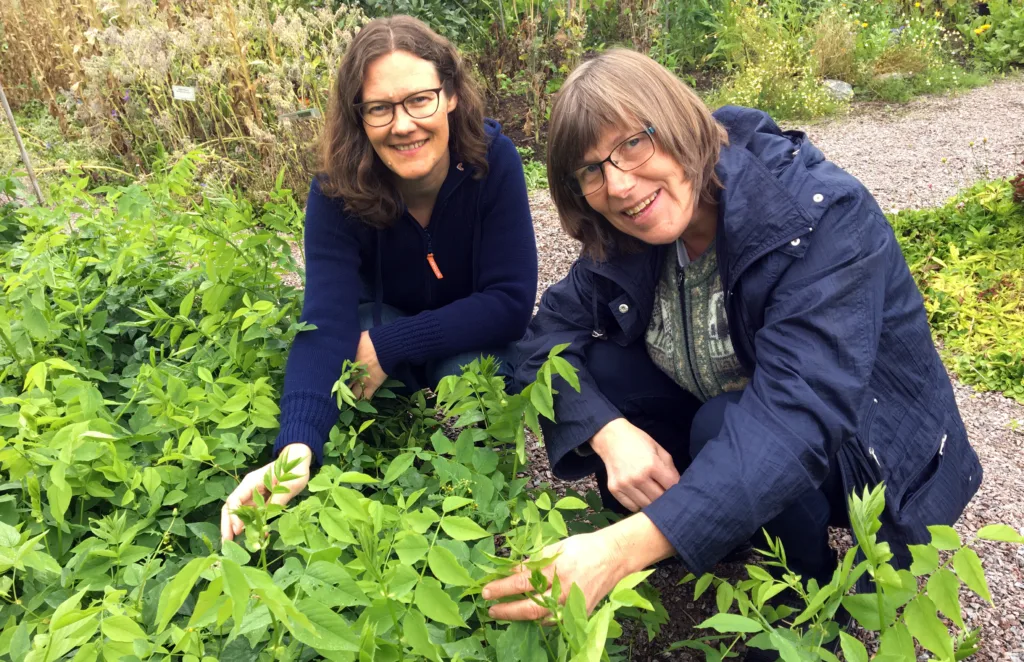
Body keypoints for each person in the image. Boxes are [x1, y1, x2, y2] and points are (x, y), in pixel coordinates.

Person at [483, 49, 982, 627]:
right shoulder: (628, 230)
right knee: (598, 372)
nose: (619, 185)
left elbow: (797, 419)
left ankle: (808, 606)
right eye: (591, 170)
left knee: (725, 425)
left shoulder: (819, 216)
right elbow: (542, 338)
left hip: (857, 447)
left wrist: (619, 549)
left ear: (677, 122)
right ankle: (699, 531)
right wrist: (606, 430)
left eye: (633, 144)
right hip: (727, 403)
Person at [220, 16, 537, 542]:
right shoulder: (336, 191)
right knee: (349, 344)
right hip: (378, 320)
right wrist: (294, 447)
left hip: (467, 334)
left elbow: (509, 303)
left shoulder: (492, 161)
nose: (403, 124)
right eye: (380, 108)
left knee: (477, 368)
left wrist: (391, 346)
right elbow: (324, 319)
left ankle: (484, 487)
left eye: (419, 100)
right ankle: (388, 450)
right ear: (359, 117)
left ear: (451, 95)